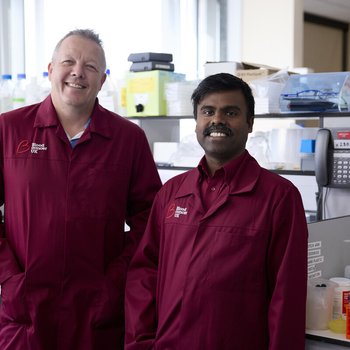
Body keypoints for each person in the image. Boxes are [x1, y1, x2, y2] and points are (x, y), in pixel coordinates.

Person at [0, 29, 162, 350]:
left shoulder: (127, 140)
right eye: (69, 61)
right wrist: (9, 276)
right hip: (25, 311)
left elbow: (151, 219)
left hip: (97, 311)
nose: (78, 71)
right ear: (50, 70)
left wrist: (116, 278)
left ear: (102, 80)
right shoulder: (8, 130)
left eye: (90, 66)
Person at [125, 73, 308, 350]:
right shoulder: (171, 194)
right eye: (207, 111)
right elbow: (144, 275)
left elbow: (287, 297)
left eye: (231, 112)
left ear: (250, 123)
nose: (217, 120)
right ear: (196, 122)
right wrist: (140, 342)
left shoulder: (279, 198)